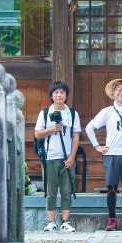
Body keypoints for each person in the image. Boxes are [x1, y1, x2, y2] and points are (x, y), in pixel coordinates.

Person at [85, 78, 122, 231]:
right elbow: (89, 127)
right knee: (111, 187)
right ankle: (111, 219)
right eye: (119, 89)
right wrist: (96, 146)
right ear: (113, 93)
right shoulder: (107, 112)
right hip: (111, 154)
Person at [34, 80, 81, 233]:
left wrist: (72, 157)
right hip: (50, 157)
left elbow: (75, 136)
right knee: (50, 191)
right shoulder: (45, 113)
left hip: (67, 158)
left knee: (67, 191)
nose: (59, 95)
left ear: (66, 95)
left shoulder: (72, 114)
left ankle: (65, 222)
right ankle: (51, 222)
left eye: (62, 92)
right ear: (51, 96)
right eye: (56, 92)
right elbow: (38, 134)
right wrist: (52, 128)